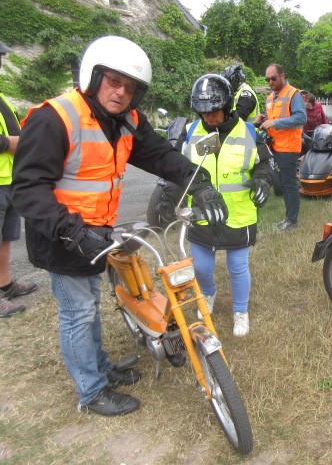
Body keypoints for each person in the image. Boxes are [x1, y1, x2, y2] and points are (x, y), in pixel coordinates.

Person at [11, 36, 225, 417]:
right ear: (92, 78)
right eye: (113, 81)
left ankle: (99, 368)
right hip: (63, 236)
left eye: (130, 87)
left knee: (89, 306)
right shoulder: (54, 117)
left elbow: (159, 154)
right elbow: (28, 190)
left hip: (99, 234)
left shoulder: (126, 120)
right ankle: (91, 391)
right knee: (78, 313)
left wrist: (200, 180)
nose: (121, 93)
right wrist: (72, 232)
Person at [185, 73, 273, 337]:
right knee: (200, 266)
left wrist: (263, 181)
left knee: (237, 267)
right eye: (203, 112)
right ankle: (208, 294)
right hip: (203, 213)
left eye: (213, 110)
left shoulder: (248, 131)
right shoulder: (192, 131)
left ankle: (240, 310)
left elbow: (265, 164)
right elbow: (180, 167)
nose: (208, 116)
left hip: (238, 213)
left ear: (226, 106)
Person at [0, 41, 37, 318]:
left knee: (5, 238)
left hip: (8, 178)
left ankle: (6, 285)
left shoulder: (1, 97)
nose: (2, 61)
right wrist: (6, 143)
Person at [254, 64, 306, 231]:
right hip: (275, 146)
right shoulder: (270, 97)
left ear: (283, 76)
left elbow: (301, 118)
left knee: (289, 183)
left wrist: (275, 122)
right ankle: (288, 218)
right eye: (267, 79)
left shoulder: (293, 94)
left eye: (273, 78)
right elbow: (271, 119)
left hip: (289, 147)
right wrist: (262, 120)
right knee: (283, 184)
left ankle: (292, 221)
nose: (270, 82)